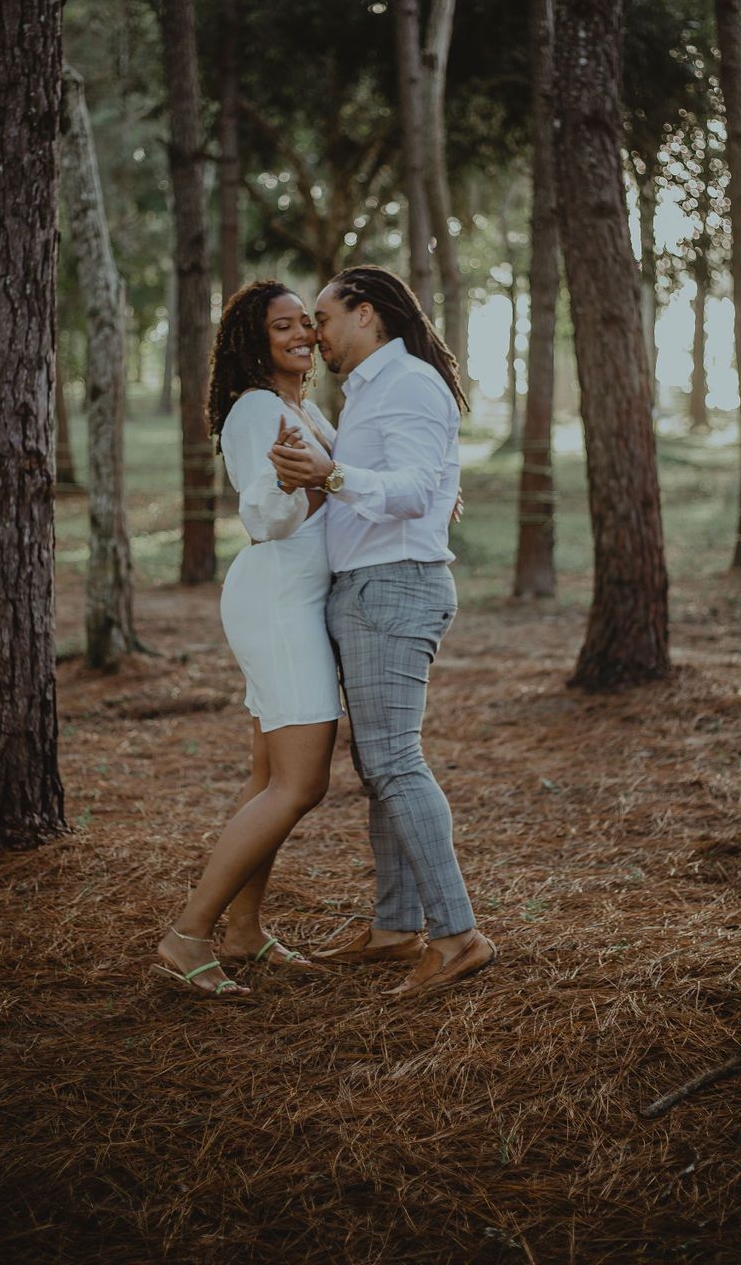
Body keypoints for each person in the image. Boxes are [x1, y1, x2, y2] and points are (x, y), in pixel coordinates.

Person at [269, 265, 495, 998]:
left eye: (325, 318)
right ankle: (398, 928)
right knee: (380, 769)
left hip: (392, 588)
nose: (315, 334)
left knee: (395, 763)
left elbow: (414, 488)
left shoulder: (407, 382)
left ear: (366, 315)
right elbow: (423, 480)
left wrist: (332, 476)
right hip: (373, 585)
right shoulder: (372, 389)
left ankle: (457, 936)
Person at [153, 281, 342, 999]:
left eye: (308, 324)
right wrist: (299, 482)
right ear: (252, 342)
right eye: (283, 327)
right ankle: (188, 934)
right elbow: (262, 516)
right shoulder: (258, 409)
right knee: (302, 782)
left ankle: (242, 931)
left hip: (291, 598)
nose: (302, 335)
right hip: (280, 602)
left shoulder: (300, 406)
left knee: (270, 779)